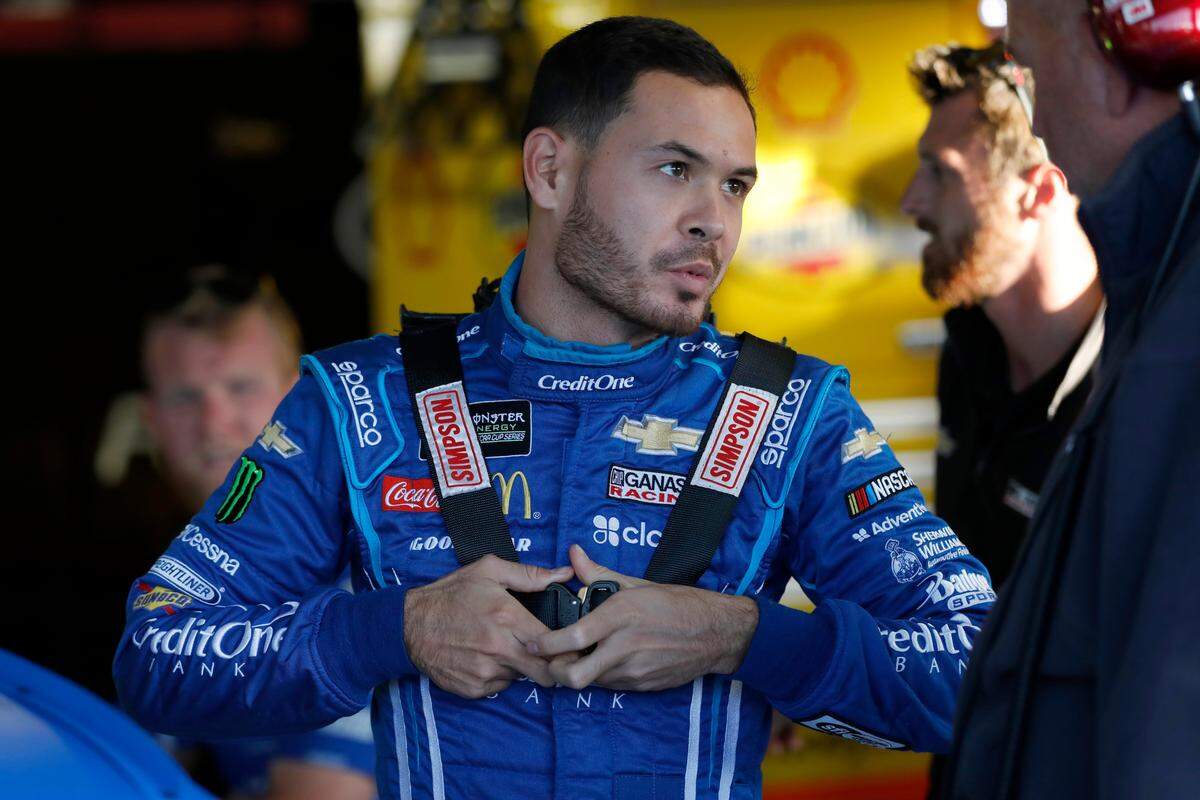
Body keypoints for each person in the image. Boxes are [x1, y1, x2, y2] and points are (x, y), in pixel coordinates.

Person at [114, 18, 995, 799]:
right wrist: (394, 631)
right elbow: (157, 654)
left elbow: (984, 672)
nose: (712, 223)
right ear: (550, 170)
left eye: (735, 186)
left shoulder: (795, 416)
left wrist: (744, 637)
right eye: (675, 169)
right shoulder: (361, 403)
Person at [938, 2, 1200, 798]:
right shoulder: (1152, 302)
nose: (1035, 110)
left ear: (1134, 48)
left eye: (1027, 64)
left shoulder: (1176, 336)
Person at [138, 267, 376, 800]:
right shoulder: (191, 571)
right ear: (149, 421)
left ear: (304, 403)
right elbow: (129, 763)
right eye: (184, 397)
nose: (214, 421)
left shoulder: (366, 560)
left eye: (241, 387)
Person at [901, 42, 1103, 588]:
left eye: (940, 173)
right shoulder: (968, 351)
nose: (911, 202)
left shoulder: (1137, 388)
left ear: (1038, 191)